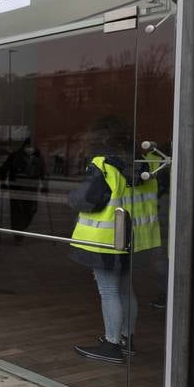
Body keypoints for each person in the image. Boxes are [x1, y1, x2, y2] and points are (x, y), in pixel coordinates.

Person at [70, 118, 161, 363]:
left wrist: (72, 196)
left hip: (108, 239)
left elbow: (87, 200)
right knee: (125, 289)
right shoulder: (147, 163)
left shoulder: (104, 164)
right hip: (136, 239)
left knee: (109, 290)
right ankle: (126, 339)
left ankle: (111, 344)